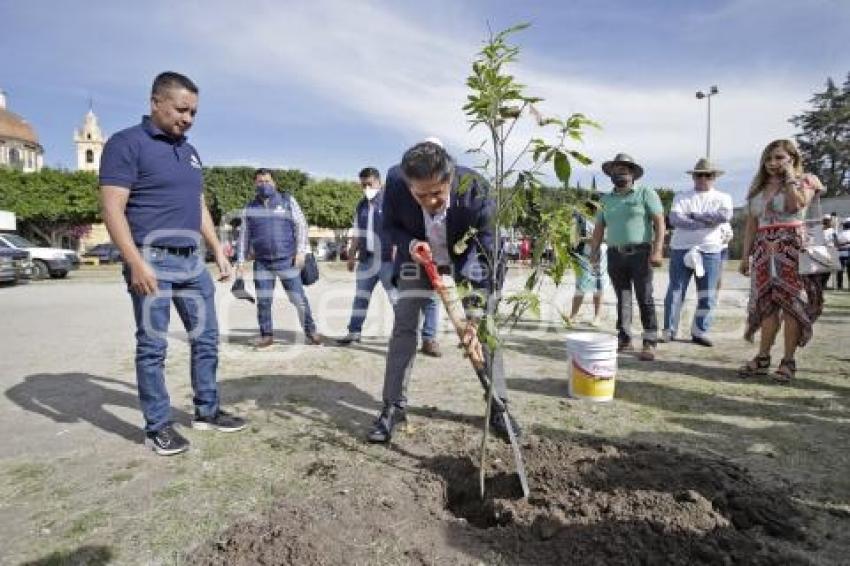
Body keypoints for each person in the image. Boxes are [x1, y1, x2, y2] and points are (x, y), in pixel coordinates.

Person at [99, 71, 246, 456]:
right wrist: (135, 263)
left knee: (207, 338)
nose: (188, 119)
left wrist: (217, 250)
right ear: (156, 102)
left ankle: (207, 411)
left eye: (194, 112)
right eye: (182, 110)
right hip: (152, 259)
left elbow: (197, 207)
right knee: (153, 347)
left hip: (191, 262)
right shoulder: (125, 144)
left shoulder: (191, 151)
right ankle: (158, 426)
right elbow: (112, 209)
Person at [367, 141, 521, 442]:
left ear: (450, 180)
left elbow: (490, 250)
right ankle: (393, 407)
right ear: (409, 185)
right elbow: (388, 228)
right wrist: (410, 245)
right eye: (420, 195)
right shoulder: (396, 183)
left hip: (467, 262)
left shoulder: (476, 188)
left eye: (437, 193)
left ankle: (498, 407)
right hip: (419, 260)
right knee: (404, 329)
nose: (429, 202)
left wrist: (477, 317)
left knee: (484, 333)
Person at [737, 139, 825, 383]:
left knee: (792, 305)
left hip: (793, 248)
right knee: (766, 305)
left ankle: (788, 361)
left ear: (792, 159)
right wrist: (746, 256)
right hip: (764, 251)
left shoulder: (806, 180)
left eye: (779, 158)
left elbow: (797, 204)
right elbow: (751, 226)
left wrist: (789, 178)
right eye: (769, 159)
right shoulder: (757, 189)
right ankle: (763, 357)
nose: (773, 163)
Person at [336, 167, 442, 357]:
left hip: (388, 260)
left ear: (379, 182)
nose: (366, 187)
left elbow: (399, 228)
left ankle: (407, 337)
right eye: (363, 184)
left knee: (397, 300)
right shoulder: (361, 206)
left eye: (370, 183)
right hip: (367, 260)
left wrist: (397, 250)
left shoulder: (390, 202)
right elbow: (357, 233)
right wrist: (351, 255)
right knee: (360, 297)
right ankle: (354, 332)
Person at [589, 153, 665, 361]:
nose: (619, 172)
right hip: (614, 254)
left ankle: (650, 342)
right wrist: (594, 252)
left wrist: (658, 250)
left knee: (645, 298)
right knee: (622, 299)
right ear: (610, 174)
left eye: (624, 168)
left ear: (632, 173)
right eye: (615, 169)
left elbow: (659, 223)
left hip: (640, 253)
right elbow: (598, 229)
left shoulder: (645, 193)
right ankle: (625, 339)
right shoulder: (605, 200)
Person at [235, 169, 322, 347]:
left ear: (274, 182)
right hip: (262, 263)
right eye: (260, 182)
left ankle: (311, 331)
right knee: (264, 301)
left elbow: (302, 226)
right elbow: (244, 235)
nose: (264, 185)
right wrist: (240, 262)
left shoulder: (287, 201)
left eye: (267, 181)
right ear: (255, 184)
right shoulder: (250, 208)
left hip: (287, 261)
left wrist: (301, 251)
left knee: (298, 299)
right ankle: (266, 335)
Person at [662, 158, 733, 347]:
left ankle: (700, 331)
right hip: (680, 249)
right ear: (693, 176)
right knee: (675, 291)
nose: (703, 178)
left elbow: (724, 216)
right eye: (699, 174)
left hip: (710, 250)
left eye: (707, 175)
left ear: (714, 177)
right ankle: (669, 330)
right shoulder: (681, 196)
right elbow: (675, 219)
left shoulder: (724, 197)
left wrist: (693, 216)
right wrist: (705, 222)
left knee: (707, 294)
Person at [565, 195, 606, 326]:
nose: (594, 209)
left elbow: (608, 237)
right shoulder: (578, 218)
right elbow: (573, 238)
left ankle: (597, 317)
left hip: (600, 256)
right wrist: (589, 239)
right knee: (580, 286)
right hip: (583, 256)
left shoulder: (605, 218)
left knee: (598, 287)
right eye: (591, 206)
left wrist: (596, 239)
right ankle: (573, 315)